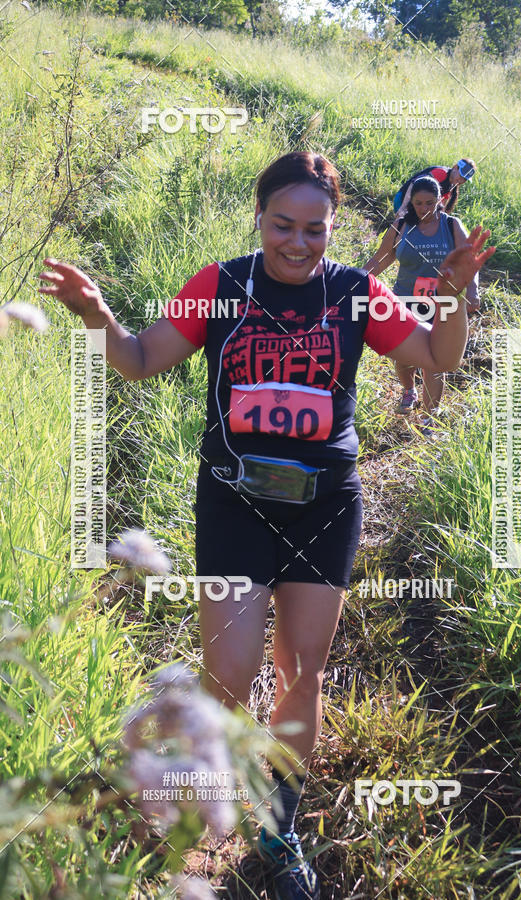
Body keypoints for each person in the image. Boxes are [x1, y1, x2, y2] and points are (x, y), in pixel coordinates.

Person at [38, 151, 494, 900]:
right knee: (228, 675)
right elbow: (141, 359)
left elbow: (439, 354)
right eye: (283, 224)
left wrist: (453, 290)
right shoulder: (221, 288)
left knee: (301, 671)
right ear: (259, 217)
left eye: (315, 228)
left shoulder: (355, 292)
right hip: (234, 502)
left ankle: (278, 830)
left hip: (325, 504)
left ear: (333, 228)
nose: (298, 242)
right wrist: (97, 317)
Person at [365, 175, 481, 433]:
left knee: (434, 361)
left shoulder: (451, 225)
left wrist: (472, 291)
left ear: (440, 200)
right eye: (418, 203)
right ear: (412, 203)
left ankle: (429, 417)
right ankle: (409, 390)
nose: (424, 209)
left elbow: (469, 260)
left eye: (430, 203)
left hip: (443, 303)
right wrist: (353, 281)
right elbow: (380, 260)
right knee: (404, 357)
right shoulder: (401, 226)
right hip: (405, 300)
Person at [393, 157, 476, 220]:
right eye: (461, 175)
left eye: (465, 179)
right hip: (403, 198)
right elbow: (414, 184)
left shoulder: (451, 186)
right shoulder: (442, 173)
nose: (461, 180)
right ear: (455, 167)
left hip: (416, 205)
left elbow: (442, 209)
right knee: (403, 230)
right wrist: (403, 207)